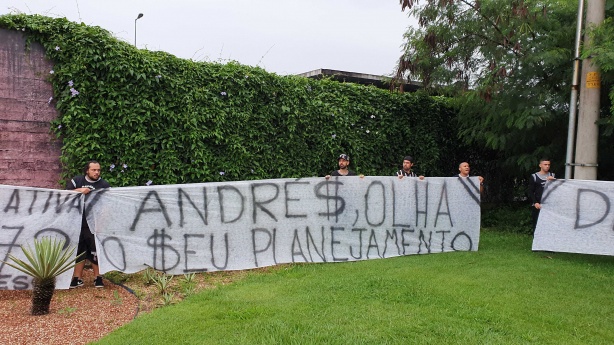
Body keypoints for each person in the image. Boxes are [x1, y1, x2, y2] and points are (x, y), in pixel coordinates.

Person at [68, 160, 111, 288]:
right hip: (77, 222)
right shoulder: (77, 181)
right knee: (79, 250)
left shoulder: (104, 185)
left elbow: (108, 205)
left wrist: (101, 223)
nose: (97, 172)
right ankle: (77, 278)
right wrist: (79, 191)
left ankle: (98, 278)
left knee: (95, 250)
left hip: (95, 224)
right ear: (87, 170)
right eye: (94, 170)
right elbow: (65, 195)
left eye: (98, 170)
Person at [528, 158, 555, 229]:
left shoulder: (552, 175)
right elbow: (530, 191)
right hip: (538, 204)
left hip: (549, 204)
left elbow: (557, 189)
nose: (547, 166)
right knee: (536, 224)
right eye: (545, 164)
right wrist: (535, 202)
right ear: (540, 165)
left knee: (549, 224)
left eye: (548, 165)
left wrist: (553, 181)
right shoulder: (534, 176)